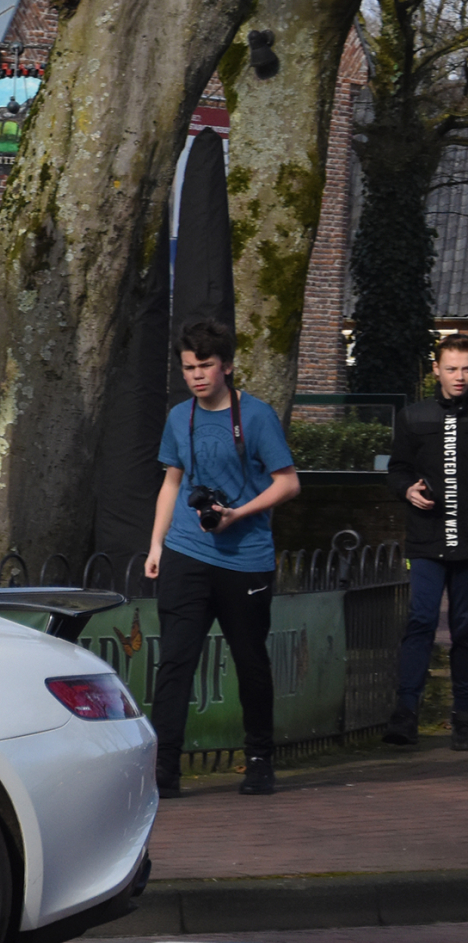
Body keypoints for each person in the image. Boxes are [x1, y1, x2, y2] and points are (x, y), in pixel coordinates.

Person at [145, 319, 301, 797]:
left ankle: (259, 760)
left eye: (206, 366)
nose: (197, 375)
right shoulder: (178, 417)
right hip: (186, 554)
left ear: (227, 367)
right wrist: (156, 545)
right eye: (189, 367)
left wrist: (238, 514)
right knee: (174, 662)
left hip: (246, 559)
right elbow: (172, 482)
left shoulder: (256, 417)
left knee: (250, 660)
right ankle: (164, 770)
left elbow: (288, 483)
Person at [384, 333, 468, 748]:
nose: (460, 376)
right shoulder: (415, 417)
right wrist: (407, 490)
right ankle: (406, 714)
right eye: (452, 368)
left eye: (466, 368)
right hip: (426, 540)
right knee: (420, 622)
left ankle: (464, 717)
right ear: (436, 370)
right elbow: (396, 469)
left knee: (465, 628)